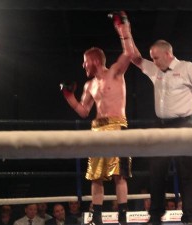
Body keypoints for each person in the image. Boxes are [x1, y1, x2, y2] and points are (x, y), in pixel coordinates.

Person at [128, 19, 192, 225]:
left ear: (168, 54)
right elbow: (135, 58)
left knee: (186, 173)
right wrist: (125, 31)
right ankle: (155, 216)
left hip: (183, 125)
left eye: (157, 58)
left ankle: (189, 216)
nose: (155, 61)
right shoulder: (155, 70)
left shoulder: (187, 68)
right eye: (152, 58)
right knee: (156, 173)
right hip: (160, 126)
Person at [61, 11, 134, 225]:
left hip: (117, 125)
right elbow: (84, 111)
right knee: (95, 176)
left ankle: (122, 216)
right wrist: (69, 97)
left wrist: (123, 28)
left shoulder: (115, 73)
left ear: (93, 60)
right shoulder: (89, 85)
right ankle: (97, 217)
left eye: (85, 62)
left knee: (119, 175)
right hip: (97, 129)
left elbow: (129, 53)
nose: (83, 66)